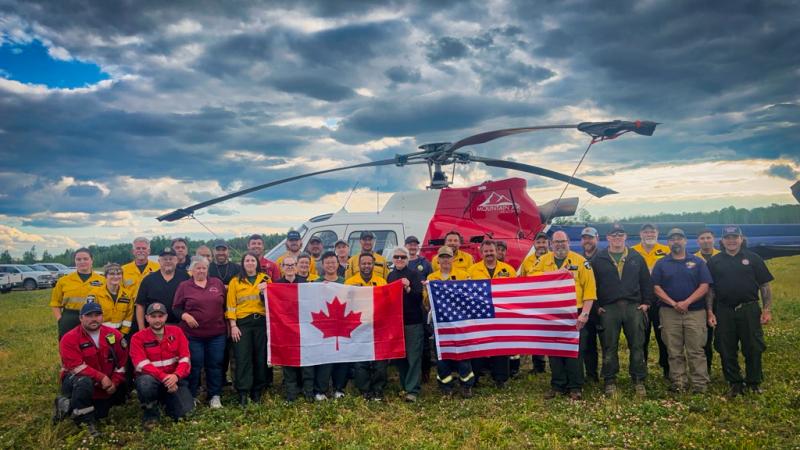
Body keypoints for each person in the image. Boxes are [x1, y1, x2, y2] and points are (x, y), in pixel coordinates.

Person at [707, 225, 774, 398]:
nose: (731, 241)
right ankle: (735, 382)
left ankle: (754, 382)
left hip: (749, 308)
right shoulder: (714, 261)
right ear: (722, 241)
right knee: (725, 346)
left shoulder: (754, 258)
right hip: (724, 310)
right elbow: (710, 290)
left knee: (753, 346)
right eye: (728, 237)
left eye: (734, 237)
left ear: (741, 239)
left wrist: (766, 309)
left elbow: (765, 285)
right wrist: (710, 312)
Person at [532, 231, 596, 400]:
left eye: (563, 241)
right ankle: (558, 385)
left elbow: (590, 291)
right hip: (552, 315)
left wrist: (585, 314)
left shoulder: (581, 262)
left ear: (569, 242)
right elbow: (532, 281)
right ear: (551, 244)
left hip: (575, 313)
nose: (559, 244)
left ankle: (575, 386)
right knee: (554, 351)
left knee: (574, 351)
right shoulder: (543, 261)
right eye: (556, 242)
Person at [591, 223, 654, 397]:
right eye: (614, 235)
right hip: (609, 308)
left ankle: (638, 379)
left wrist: (647, 303)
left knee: (637, 345)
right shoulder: (599, 259)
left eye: (621, 235)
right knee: (609, 346)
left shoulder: (636, 257)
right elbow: (592, 285)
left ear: (625, 237)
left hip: (633, 306)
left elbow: (646, 282)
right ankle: (610, 380)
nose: (617, 238)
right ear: (608, 238)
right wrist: (596, 307)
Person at [53, 302, 128, 437]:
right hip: (77, 381)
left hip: (104, 386)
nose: (94, 319)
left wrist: (115, 383)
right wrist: (102, 378)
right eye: (89, 315)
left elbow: (122, 364)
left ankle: (67, 405)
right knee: (84, 382)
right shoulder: (69, 338)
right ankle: (86, 424)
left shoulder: (114, 335)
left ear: (102, 317)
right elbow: (76, 367)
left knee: (102, 413)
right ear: (81, 318)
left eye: (97, 315)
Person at [651, 228, 712, 393]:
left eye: (679, 239)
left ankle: (700, 384)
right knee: (673, 350)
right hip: (669, 312)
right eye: (672, 239)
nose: (676, 242)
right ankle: (679, 383)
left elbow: (705, 285)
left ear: (685, 241)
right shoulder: (661, 263)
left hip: (695, 312)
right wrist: (673, 303)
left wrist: (687, 302)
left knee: (696, 350)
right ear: (668, 243)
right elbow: (656, 287)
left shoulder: (698, 262)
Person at [173, 256, 227, 408]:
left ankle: (214, 395)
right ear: (192, 270)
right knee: (195, 365)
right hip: (193, 335)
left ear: (207, 269)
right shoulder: (184, 286)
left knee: (215, 364)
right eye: (198, 268)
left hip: (217, 334)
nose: (201, 270)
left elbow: (225, 306)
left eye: (204, 268)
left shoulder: (216, 283)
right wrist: (186, 316)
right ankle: (193, 395)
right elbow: (176, 308)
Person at [129, 302, 193, 429]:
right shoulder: (138, 337)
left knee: (185, 413)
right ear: (147, 318)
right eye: (153, 317)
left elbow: (185, 359)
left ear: (166, 317)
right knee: (145, 382)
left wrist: (176, 376)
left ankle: (165, 401)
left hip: (174, 380)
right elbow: (141, 364)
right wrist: (165, 378)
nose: (157, 320)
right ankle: (150, 413)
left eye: (160, 316)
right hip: (153, 381)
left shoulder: (177, 332)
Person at [425, 246, 474, 398]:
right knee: (442, 354)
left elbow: (470, 297)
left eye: (448, 257)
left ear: (453, 258)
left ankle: (466, 385)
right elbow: (426, 302)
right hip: (440, 323)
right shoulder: (432, 278)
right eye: (442, 257)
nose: (445, 260)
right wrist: (427, 290)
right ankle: (446, 385)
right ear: (437, 260)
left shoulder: (463, 275)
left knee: (463, 353)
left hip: (459, 322)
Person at [467, 240, 516, 388]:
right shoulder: (472, 270)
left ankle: (500, 378)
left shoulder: (509, 269)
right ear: (481, 253)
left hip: (501, 314)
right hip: (480, 314)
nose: (489, 254)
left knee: (501, 346)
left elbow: (515, 290)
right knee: (477, 346)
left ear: (497, 251)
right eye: (486, 251)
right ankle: (475, 378)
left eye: (491, 251)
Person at [227, 253, 271, 406]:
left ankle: (257, 390)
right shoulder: (235, 282)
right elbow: (230, 305)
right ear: (243, 263)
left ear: (257, 263)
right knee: (243, 358)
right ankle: (243, 392)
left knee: (260, 357)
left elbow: (272, 302)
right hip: (242, 324)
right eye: (247, 260)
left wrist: (264, 293)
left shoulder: (265, 279)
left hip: (261, 323)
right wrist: (233, 326)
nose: (250, 263)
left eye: (253, 260)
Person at [346, 253, 388, 400]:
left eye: (369, 263)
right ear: (358, 265)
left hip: (378, 326)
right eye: (363, 263)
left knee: (380, 360)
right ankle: (364, 389)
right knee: (360, 360)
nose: (366, 266)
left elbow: (388, 302)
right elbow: (345, 304)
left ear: (373, 264)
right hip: (358, 326)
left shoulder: (381, 281)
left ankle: (378, 389)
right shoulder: (350, 282)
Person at [631, 223, 671, 379]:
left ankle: (667, 369)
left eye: (652, 231)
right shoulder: (633, 252)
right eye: (646, 232)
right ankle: (642, 370)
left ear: (657, 233)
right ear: (640, 234)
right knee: (641, 338)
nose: (649, 234)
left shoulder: (666, 251)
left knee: (664, 337)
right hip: (641, 301)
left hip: (663, 300)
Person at [387, 246, 425, 402]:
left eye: (403, 257)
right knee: (400, 356)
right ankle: (405, 385)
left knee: (413, 356)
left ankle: (413, 390)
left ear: (407, 259)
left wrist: (408, 287)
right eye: (397, 257)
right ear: (393, 259)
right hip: (396, 323)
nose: (399, 259)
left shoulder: (415, 274)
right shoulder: (390, 276)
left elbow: (418, 298)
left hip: (412, 322)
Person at [275, 256, 313, 402]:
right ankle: (291, 393)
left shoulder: (306, 284)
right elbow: (267, 301)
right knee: (288, 360)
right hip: (285, 329)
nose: (290, 267)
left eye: (292, 265)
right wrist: (263, 292)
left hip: (305, 328)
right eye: (287, 265)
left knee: (307, 360)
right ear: (282, 267)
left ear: (297, 266)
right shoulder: (276, 285)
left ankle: (308, 392)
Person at [307, 251, 343, 400]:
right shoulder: (315, 283)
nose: (330, 265)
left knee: (342, 357)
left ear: (338, 264)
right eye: (327, 262)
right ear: (322, 265)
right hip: (323, 326)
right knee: (325, 358)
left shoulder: (345, 282)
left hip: (341, 324)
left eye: (333, 262)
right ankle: (320, 390)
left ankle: (339, 388)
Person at [50, 248, 106, 339]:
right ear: (75, 261)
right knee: (69, 345)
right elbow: (55, 303)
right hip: (70, 316)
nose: (82, 262)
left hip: (93, 316)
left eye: (85, 259)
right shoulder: (64, 280)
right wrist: (60, 319)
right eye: (78, 259)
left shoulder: (102, 280)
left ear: (92, 260)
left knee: (93, 344)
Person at [517, 231, 550, 374]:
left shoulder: (553, 258)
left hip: (551, 303)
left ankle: (557, 364)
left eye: (544, 242)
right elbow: (522, 280)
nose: (541, 245)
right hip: (535, 305)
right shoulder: (527, 261)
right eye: (539, 242)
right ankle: (539, 365)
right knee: (537, 334)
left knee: (552, 334)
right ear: (534, 244)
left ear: (548, 243)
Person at [135, 247, 191, 330]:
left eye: (171, 259)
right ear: (159, 261)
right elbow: (140, 305)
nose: (168, 261)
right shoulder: (148, 279)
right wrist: (141, 328)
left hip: (179, 326)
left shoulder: (185, 277)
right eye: (165, 259)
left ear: (176, 260)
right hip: (153, 327)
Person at [405, 235, 433, 382]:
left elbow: (431, 281)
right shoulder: (401, 262)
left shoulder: (425, 264)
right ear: (405, 246)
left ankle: (426, 371)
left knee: (425, 340)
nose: (412, 247)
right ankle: (409, 371)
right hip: (407, 307)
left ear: (418, 247)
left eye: (415, 244)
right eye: (409, 244)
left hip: (422, 306)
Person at [694, 229, 720, 371]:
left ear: (713, 239)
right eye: (702, 238)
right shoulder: (693, 260)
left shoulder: (722, 256)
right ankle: (707, 370)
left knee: (723, 339)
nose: (706, 240)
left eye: (708, 237)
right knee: (705, 340)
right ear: (698, 241)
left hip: (722, 303)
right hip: (702, 304)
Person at [88, 263, 136, 338]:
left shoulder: (127, 295)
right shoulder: (95, 294)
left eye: (119, 274)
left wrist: (122, 333)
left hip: (120, 334)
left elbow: (128, 317)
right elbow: (90, 316)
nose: (116, 276)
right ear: (105, 276)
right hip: (99, 333)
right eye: (112, 274)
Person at [580, 227, 601, 382]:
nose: (587, 241)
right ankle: (591, 375)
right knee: (588, 343)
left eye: (590, 238)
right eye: (585, 238)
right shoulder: (578, 260)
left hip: (602, 307)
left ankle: (608, 376)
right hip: (586, 307)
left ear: (597, 239)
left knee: (608, 344)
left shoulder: (604, 257)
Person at [121, 237, 159, 303]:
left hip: (152, 308)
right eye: (138, 248)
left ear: (149, 251)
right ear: (133, 251)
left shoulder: (158, 268)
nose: (141, 251)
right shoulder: (123, 270)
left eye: (144, 248)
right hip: (131, 307)